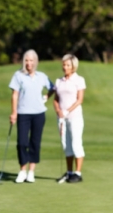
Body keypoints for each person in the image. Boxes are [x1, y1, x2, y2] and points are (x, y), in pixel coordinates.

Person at [9, 49, 54, 183]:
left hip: (39, 113)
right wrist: (13, 112)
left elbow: (52, 88)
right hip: (23, 113)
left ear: (36, 61)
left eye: (31, 60)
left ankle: (31, 172)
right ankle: (22, 170)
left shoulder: (42, 76)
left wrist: (46, 96)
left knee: (35, 142)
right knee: (22, 143)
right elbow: (15, 95)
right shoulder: (18, 75)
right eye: (26, 60)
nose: (28, 63)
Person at [53, 54, 86, 183]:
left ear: (73, 67)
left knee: (76, 143)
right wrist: (58, 111)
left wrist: (67, 111)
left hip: (75, 117)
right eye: (64, 65)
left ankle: (78, 173)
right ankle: (69, 172)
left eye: (68, 65)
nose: (65, 67)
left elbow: (80, 100)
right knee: (66, 145)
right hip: (61, 118)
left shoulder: (79, 80)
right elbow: (56, 99)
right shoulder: (59, 81)